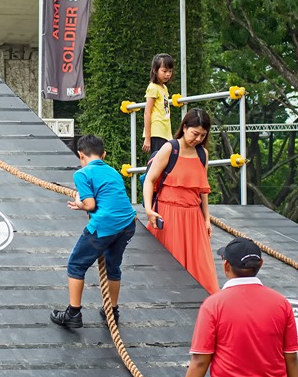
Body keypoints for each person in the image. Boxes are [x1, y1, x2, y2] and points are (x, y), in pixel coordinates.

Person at [184, 237, 298, 377]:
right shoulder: (281, 303)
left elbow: (200, 361)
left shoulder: (213, 305)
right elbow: (291, 358)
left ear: (226, 265)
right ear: (261, 264)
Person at [50, 134, 137, 329]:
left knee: (76, 264)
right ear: (104, 155)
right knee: (113, 267)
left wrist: (80, 205)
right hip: (127, 224)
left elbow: (90, 204)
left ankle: (73, 313)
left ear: (81, 155)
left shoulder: (82, 174)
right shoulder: (113, 172)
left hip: (105, 225)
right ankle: (112, 311)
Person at [142, 107, 219, 294]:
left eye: (202, 135)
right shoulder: (170, 148)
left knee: (201, 268)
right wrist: (148, 210)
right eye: (195, 133)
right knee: (166, 266)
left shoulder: (202, 154)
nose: (198, 139)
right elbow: (150, 180)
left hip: (193, 216)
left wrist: (206, 218)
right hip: (168, 213)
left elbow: (202, 190)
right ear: (184, 127)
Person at [142, 53, 174, 156]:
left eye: (170, 71)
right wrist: (147, 138)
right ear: (155, 70)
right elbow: (147, 112)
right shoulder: (153, 87)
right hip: (157, 131)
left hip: (165, 131)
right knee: (158, 161)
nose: (168, 74)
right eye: (164, 71)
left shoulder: (164, 88)